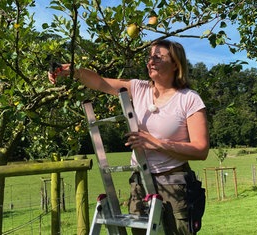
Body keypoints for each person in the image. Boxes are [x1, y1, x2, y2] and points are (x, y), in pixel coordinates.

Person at [48, 39, 209, 234]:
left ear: (176, 64)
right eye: (150, 57)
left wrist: (157, 143)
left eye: (158, 57)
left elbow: (201, 149)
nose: (151, 62)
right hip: (140, 183)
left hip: (174, 185)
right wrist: (72, 71)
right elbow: (100, 82)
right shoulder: (139, 88)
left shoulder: (189, 99)